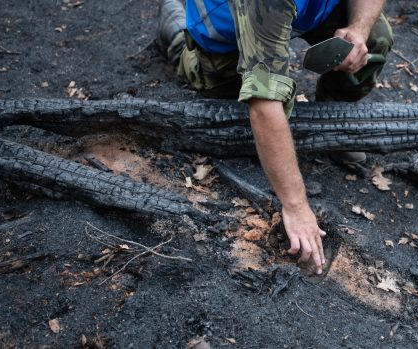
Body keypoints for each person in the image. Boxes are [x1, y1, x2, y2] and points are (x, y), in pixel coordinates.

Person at [157, 0, 393, 274]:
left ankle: (331, 116)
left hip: (301, 11)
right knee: (231, 108)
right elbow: (264, 106)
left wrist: (358, 29)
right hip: (228, 32)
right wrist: (296, 207)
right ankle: (175, 29)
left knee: (376, 37)